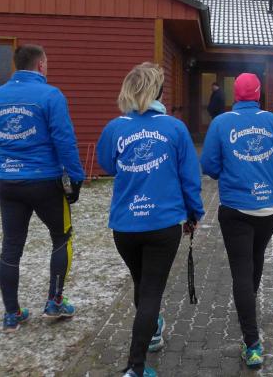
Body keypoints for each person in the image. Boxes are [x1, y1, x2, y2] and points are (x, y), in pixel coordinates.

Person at [97, 63, 205, 377]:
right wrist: (194, 213)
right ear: (158, 91)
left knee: (142, 284)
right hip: (162, 224)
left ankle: (153, 332)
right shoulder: (175, 128)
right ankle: (135, 366)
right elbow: (190, 178)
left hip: (125, 226)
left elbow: (107, 164)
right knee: (151, 291)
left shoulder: (115, 127)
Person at [0, 44, 85, 332]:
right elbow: (64, 139)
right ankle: (54, 302)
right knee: (62, 237)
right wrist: (76, 177)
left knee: (11, 247)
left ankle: (11, 314)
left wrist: (2, 164)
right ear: (41, 65)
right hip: (45, 181)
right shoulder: (50, 95)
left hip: (10, 183)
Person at [200, 73, 273, 368]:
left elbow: (209, 165)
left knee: (242, 269)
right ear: (258, 93)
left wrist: (232, 174)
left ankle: (252, 344)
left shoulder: (221, 122)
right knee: (255, 257)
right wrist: (268, 172)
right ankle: (248, 304)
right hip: (269, 207)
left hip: (236, 208)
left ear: (236, 95)